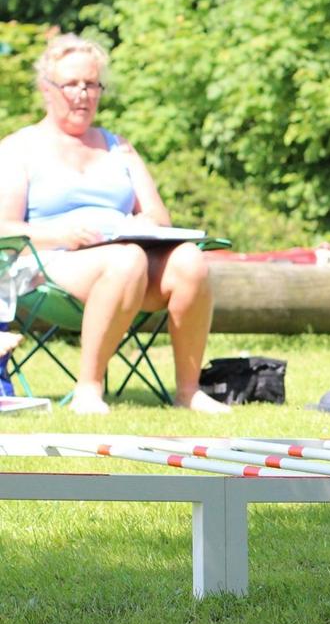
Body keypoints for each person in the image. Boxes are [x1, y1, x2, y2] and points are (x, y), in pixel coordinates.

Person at [0, 33, 229, 414]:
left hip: (126, 259)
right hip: (51, 267)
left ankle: (189, 392)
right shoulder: (19, 148)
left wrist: (138, 224)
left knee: (189, 259)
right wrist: (61, 234)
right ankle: (89, 388)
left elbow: (159, 217)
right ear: (46, 89)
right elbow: (4, 228)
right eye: (71, 84)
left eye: (91, 84)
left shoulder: (117, 146)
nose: (82, 94)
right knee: (126, 261)